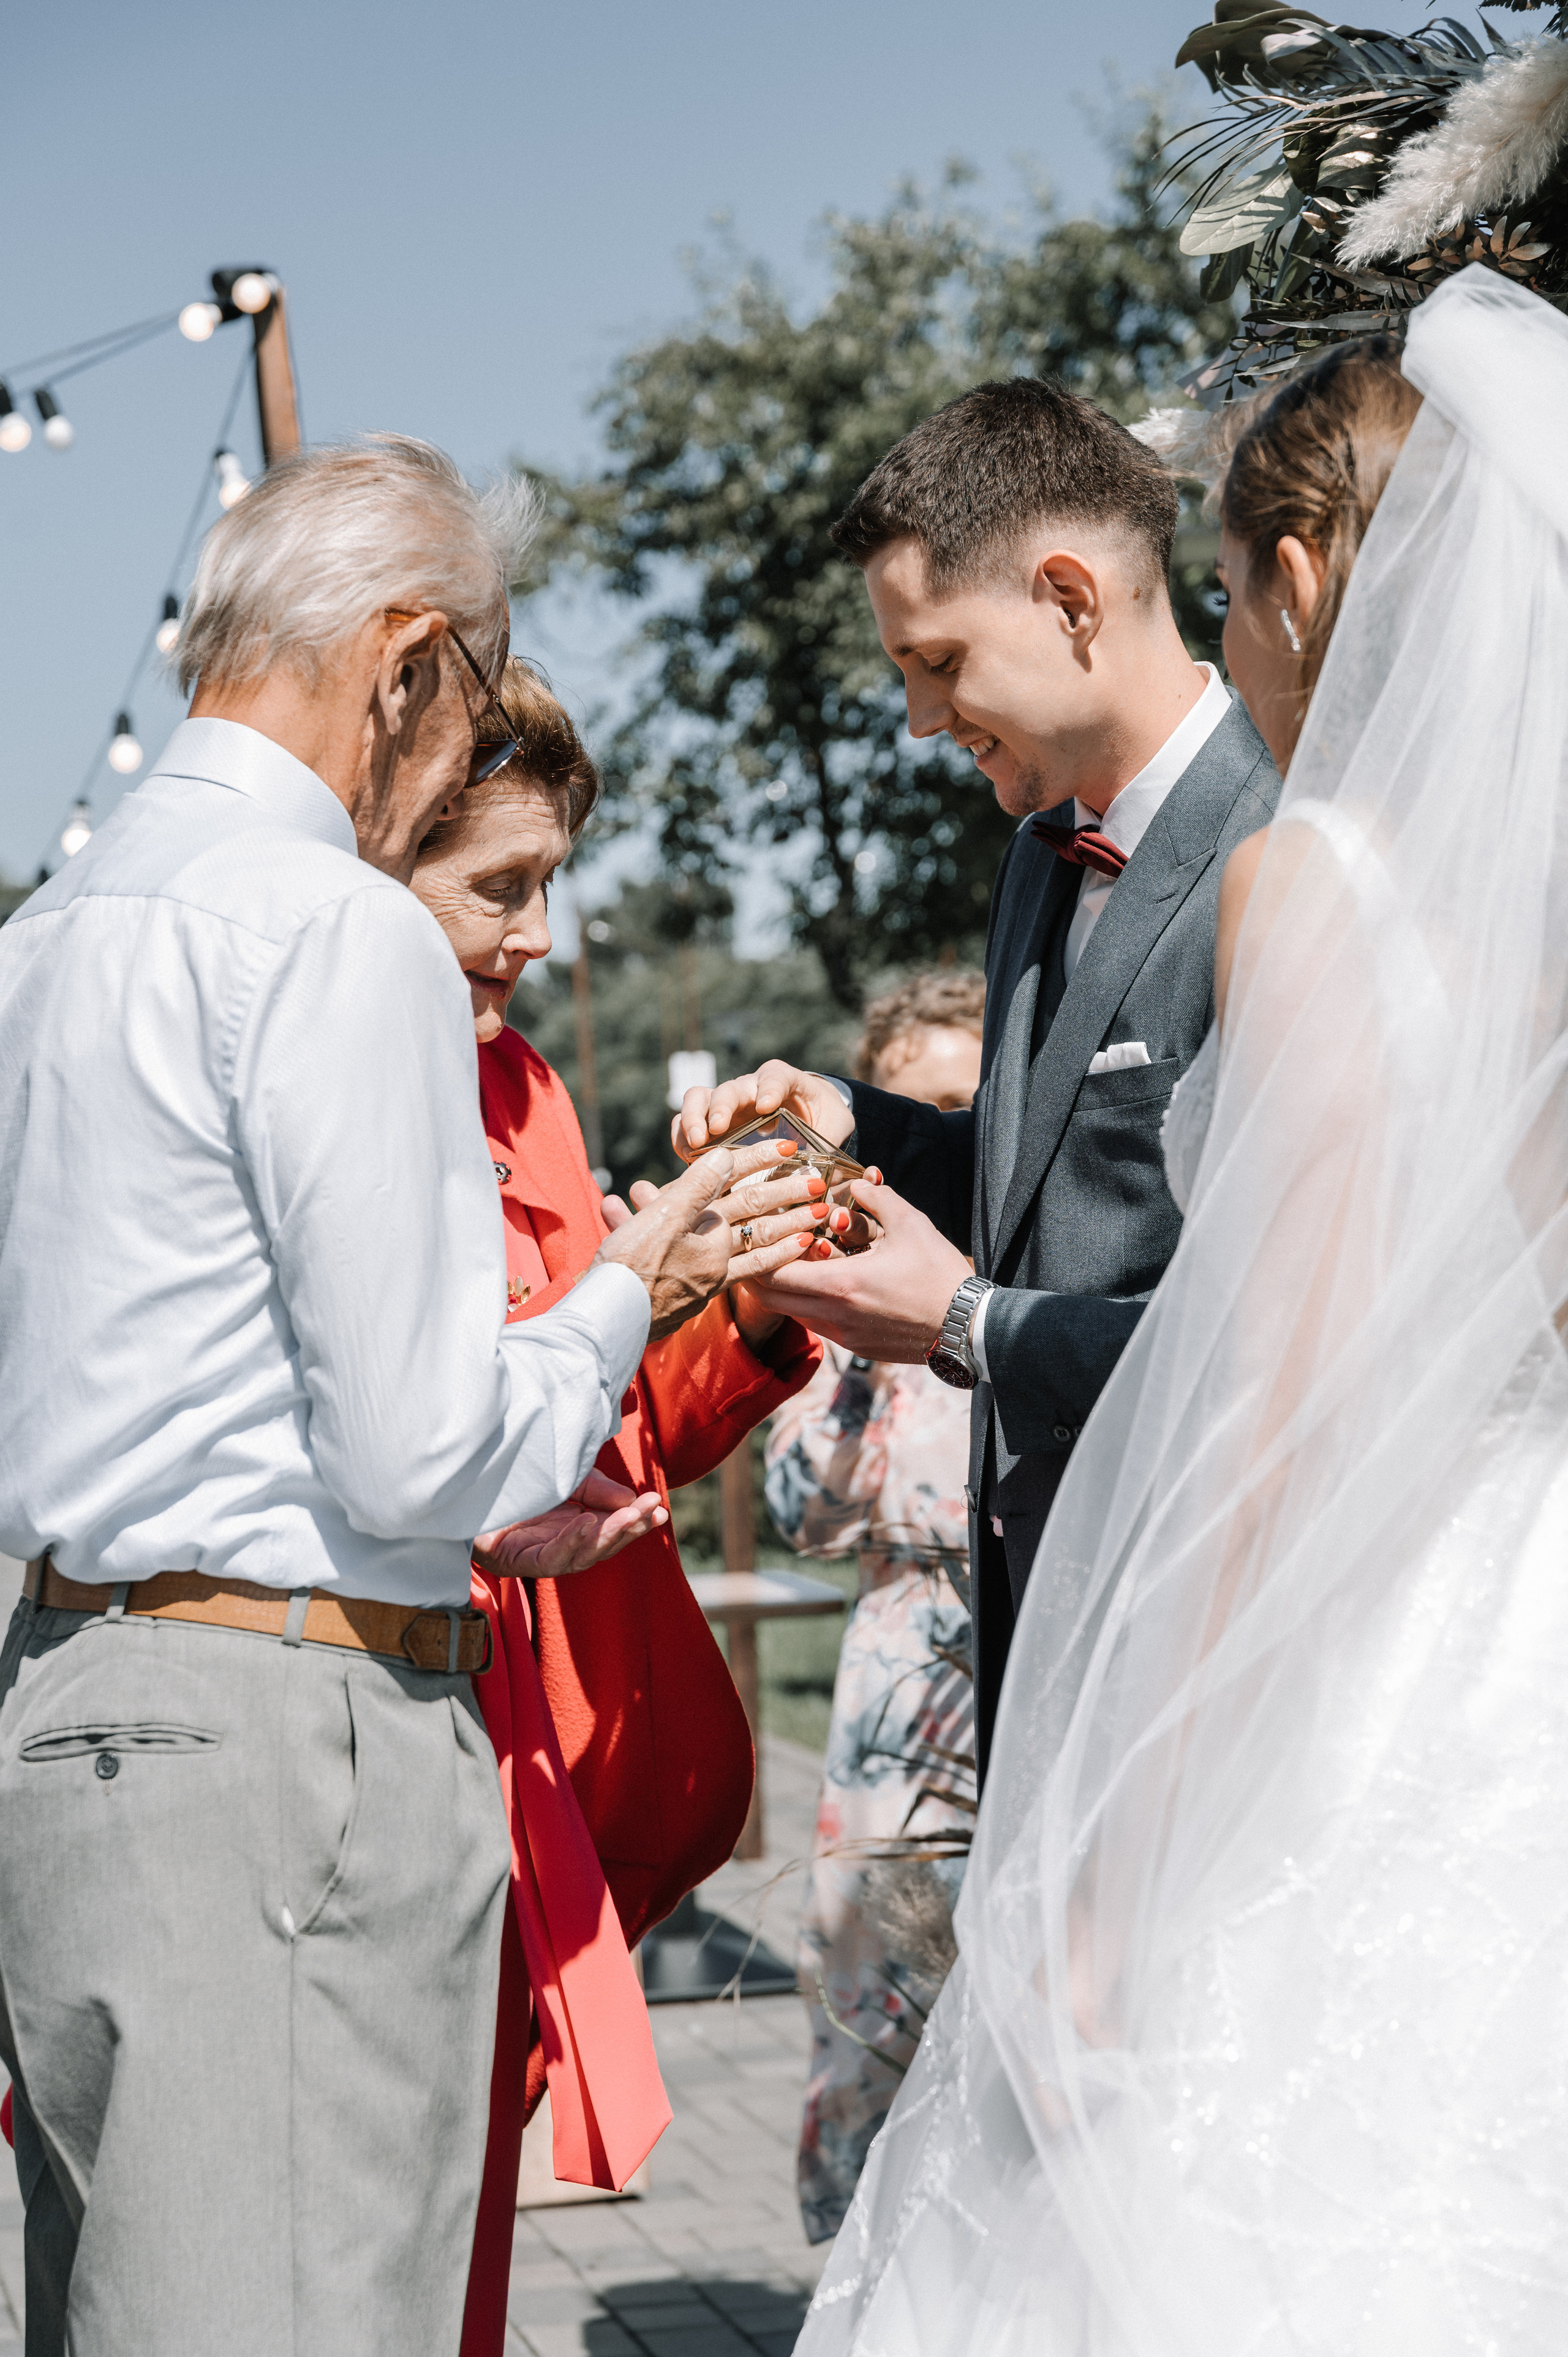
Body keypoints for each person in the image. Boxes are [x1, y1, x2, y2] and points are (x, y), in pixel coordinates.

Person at [799, 267, 1568, 2351]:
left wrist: (1121, 1852)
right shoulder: (1533, 960)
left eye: (1233, 589)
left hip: (1325, 1668)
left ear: (1302, 578)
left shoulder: (1305, 876)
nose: (1230, 633)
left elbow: (1283, 1386)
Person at [0, 436, 783, 2357]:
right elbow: (426, 1447)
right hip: (288, 1731)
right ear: (409, 662)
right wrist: (632, 1279)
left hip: (70, 1700)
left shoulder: (42, 940)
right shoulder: (326, 925)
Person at [673, 379, 1284, 1777]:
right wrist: (860, 1130)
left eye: (935, 660)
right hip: (1041, 1641)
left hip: (1222, 1633)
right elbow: (1047, 1171)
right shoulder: (1032, 856)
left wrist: (958, 1320)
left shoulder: (1283, 839)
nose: (914, 717)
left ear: (1070, 598)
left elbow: (1275, 1331)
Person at [404, 656, 825, 2357]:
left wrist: (759, 1299)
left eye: (554, 882)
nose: (542, 936)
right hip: (403, 1742)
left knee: (460, 2268)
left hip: (557, 1775)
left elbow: (621, 1434)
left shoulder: (529, 1094)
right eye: (500, 888)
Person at [765, 970, 983, 2244]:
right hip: (897, 1673)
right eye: (920, 1109)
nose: (941, 1141)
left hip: (1012, 1651)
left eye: (967, 1106)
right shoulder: (852, 1301)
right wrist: (858, 1352)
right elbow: (806, 1508)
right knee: (873, 2018)